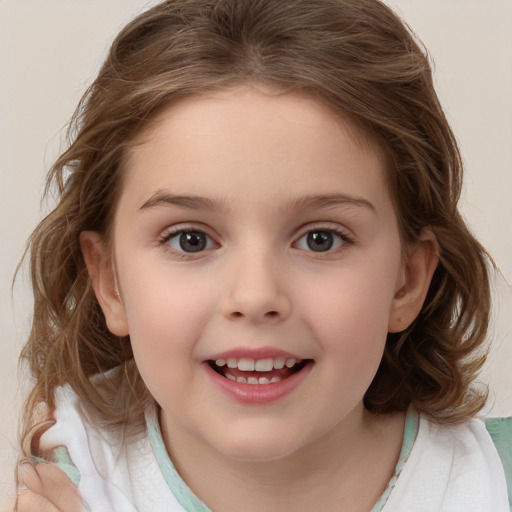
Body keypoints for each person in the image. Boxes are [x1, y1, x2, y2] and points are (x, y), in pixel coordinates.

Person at [14, 0, 511, 510]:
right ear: (111, 282)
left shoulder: (492, 482)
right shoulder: (71, 490)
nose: (255, 296)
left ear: (406, 281)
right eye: (191, 239)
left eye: (321, 238)